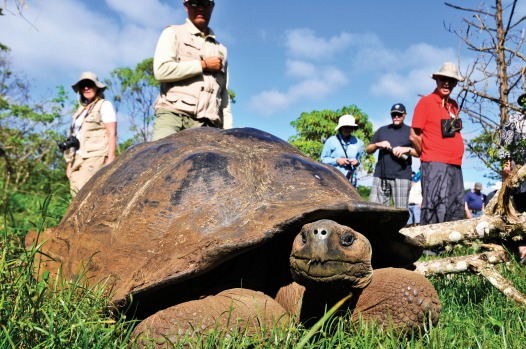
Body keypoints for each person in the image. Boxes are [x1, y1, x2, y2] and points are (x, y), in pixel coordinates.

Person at [152, 0, 232, 141]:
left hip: (208, 125)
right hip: (174, 117)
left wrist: (228, 133)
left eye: (205, 3)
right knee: (158, 159)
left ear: (212, 6)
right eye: (194, 3)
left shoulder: (221, 50)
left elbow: (224, 96)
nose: (200, 7)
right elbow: (161, 70)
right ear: (186, 6)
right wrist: (203, 65)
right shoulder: (173, 33)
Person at [410, 62, 465, 225]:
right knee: (435, 204)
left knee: (455, 204)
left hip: (455, 163)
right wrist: (425, 153)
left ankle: (448, 245)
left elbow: (452, 132)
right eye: (443, 79)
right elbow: (414, 135)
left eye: (451, 80)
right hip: (434, 162)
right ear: (437, 80)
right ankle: (430, 248)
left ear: (455, 83)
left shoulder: (453, 105)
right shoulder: (425, 102)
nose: (446, 83)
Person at [65, 72, 117, 196]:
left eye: (89, 84)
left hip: (95, 157)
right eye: (83, 85)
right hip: (77, 159)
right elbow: (73, 137)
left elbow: (112, 133)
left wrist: (111, 159)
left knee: (86, 195)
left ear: (97, 87)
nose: (86, 88)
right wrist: (69, 164)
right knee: (74, 195)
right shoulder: (80, 111)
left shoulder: (104, 105)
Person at [366, 103, 417, 208]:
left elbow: (419, 153)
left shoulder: (411, 131)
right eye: (394, 114)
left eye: (399, 114)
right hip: (381, 176)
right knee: (374, 210)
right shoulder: (382, 130)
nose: (396, 117)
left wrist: (406, 149)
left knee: (401, 212)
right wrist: (378, 144)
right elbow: (368, 149)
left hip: (402, 177)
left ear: (405, 115)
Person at [499, 91, 526, 263]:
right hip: (520, 174)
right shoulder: (514, 120)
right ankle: (522, 250)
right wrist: (506, 169)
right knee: (521, 208)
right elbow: (504, 147)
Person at [320, 114, 364, 185]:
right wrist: (337, 160)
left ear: (352, 128)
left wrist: (357, 162)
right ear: (341, 128)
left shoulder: (358, 143)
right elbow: (322, 160)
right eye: (345, 127)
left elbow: (360, 161)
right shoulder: (331, 141)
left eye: (349, 127)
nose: (347, 129)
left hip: (350, 180)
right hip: (332, 178)